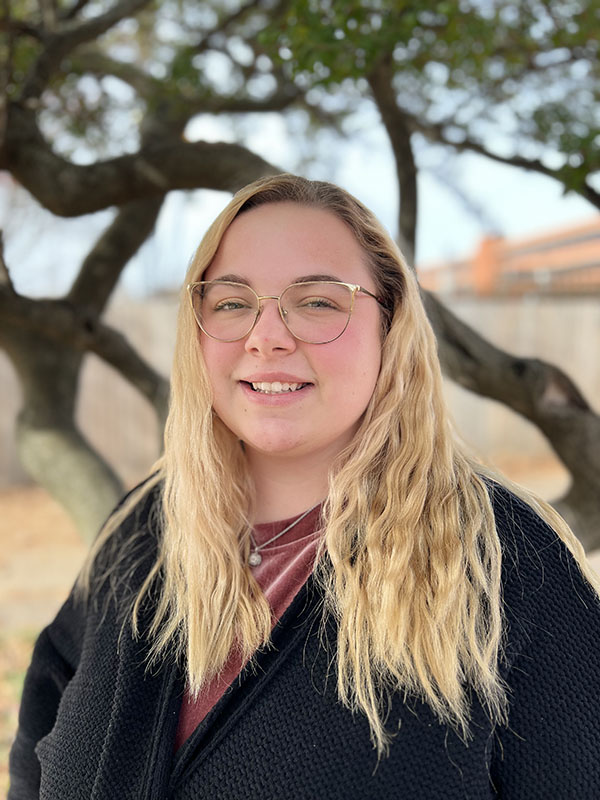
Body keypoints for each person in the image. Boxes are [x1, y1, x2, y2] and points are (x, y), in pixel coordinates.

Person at [9, 174, 600, 799]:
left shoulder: (508, 561)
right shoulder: (144, 526)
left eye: (318, 301)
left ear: (390, 325)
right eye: (233, 302)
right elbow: (43, 717)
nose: (267, 336)